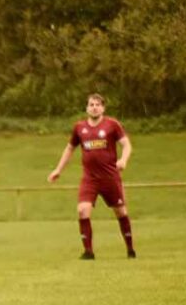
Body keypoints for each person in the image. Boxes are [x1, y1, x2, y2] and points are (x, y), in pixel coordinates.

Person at [48, 94, 136, 259]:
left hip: (110, 177)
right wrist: (58, 169)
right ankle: (88, 252)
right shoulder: (79, 128)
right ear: (87, 108)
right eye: (91, 104)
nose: (94, 107)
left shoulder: (112, 125)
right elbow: (69, 148)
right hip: (90, 179)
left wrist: (123, 159)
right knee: (82, 210)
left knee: (121, 212)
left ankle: (130, 249)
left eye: (97, 104)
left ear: (103, 108)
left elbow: (126, 144)